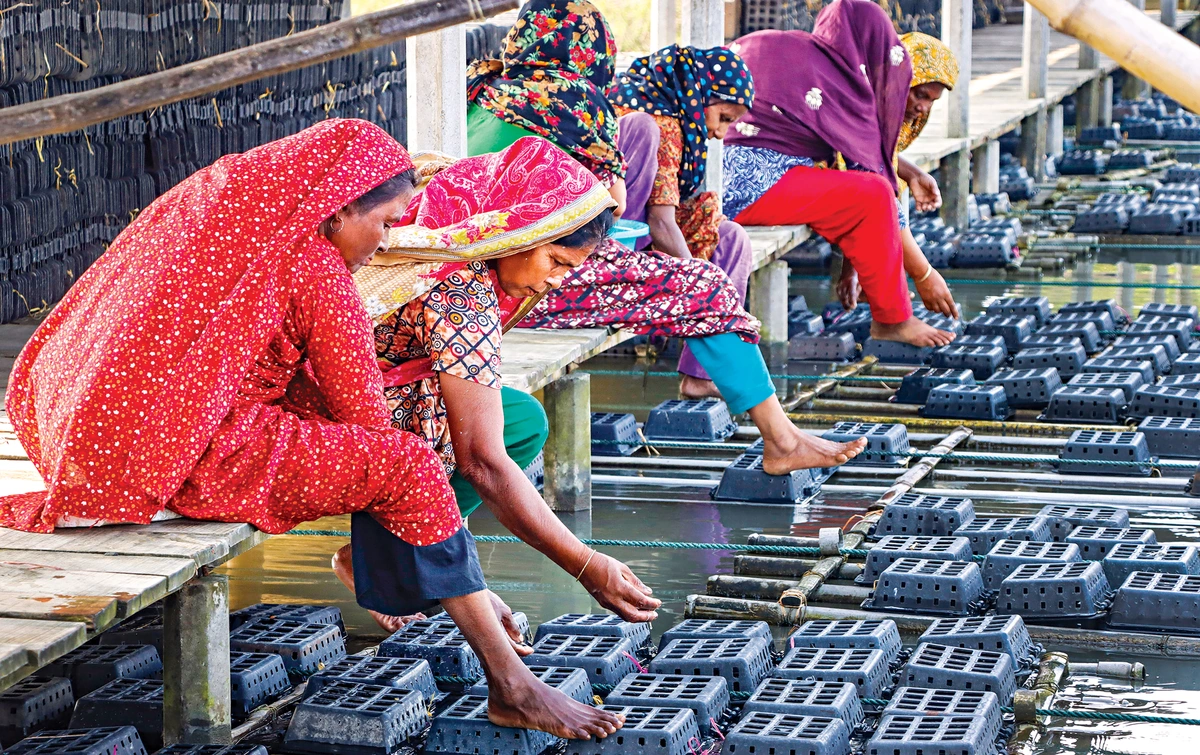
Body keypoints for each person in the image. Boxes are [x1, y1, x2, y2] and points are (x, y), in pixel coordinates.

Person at [0, 120, 622, 742]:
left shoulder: (228, 211)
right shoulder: (319, 269)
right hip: (190, 448)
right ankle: (511, 685)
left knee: (409, 447)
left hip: (98, 433)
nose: (386, 244)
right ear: (340, 204)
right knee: (409, 463)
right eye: (383, 223)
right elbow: (374, 431)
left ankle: (428, 598)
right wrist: (480, 587)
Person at [466, 0, 867, 472]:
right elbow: (612, 203)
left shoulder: (478, 90)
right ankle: (781, 440)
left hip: (464, 280)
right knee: (705, 284)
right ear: (591, 51)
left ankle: (776, 432)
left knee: (705, 263)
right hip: (530, 283)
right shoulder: (572, 102)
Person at [330, 138, 661, 635]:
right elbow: (482, 463)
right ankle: (398, 560)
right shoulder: (459, 289)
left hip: (371, 383)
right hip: (336, 412)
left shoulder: (458, 236)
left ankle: (402, 557)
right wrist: (586, 565)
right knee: (468, 443)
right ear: (521, 232)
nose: (555, 282)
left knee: (522, 420)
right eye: (556, 262)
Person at [722, 0, 957, 346]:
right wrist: (924, 275)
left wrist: (857, 266)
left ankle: (890, 309)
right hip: (747, 185)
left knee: (862, 189)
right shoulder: (844, 87)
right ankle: (892, 320)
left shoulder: (790, 46)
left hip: (716, 171)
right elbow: (877, 187)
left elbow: (855, 162)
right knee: (873, 194)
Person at [609, 44, 759, 397]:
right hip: (612, 245)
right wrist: (703, 288)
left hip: (636, 233)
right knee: (725, 250)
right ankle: (705, 369)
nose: (721, 133)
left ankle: (702, 375)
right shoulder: (660, 123)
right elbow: (661, 223)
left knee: (731, 238)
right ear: (700, 96)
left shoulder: (663, 104)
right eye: (723, 117)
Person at [890, 31, 961, 318]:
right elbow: (860, 165)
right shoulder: (861, 99)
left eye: (932, 101)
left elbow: (877, 153)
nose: (923, 108)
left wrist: (912, 173)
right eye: (920, 94)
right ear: (897, 79)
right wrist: (923, 274)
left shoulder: (899, 111)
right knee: (885, 190)